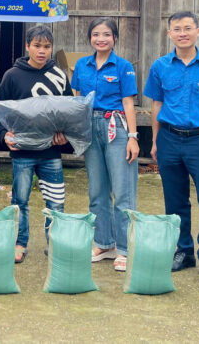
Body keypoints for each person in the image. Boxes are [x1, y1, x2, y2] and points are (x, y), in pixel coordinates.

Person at [144, 11, 199, 285]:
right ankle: (183, 251)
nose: (183, 33)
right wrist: (155, 141)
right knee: (175, 200)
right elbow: (156, 104)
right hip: (169, 139)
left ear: (198, 31)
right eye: (177, 29)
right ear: (169, 33)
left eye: (188, 28)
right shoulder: (160, 66)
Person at [0, 24, 73, 264]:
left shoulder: (59, 76)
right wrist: (3, 135)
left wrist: (65, 136)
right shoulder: (12, 75)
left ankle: (55, 244)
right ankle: (20, 243)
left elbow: (69, 111)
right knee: (20, 201)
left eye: (47, 46)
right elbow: (0, 112)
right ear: (27, 46)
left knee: (56, 202)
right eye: (37, 46)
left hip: (51, 152)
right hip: (22, 153)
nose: (42, 51)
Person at [72, 17, 139, 272]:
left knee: (123, 192)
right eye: (96, 34)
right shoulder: (82, 65)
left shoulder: (123, 66)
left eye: (107, 34)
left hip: (117, 128)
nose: (101, 39)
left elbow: (128, 103)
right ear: (90, 38)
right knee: (97, 191)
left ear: (115, 38)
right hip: (90, 128)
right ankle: (104, 243)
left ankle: (124, 249)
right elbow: (77, 99)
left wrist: (133, 137)